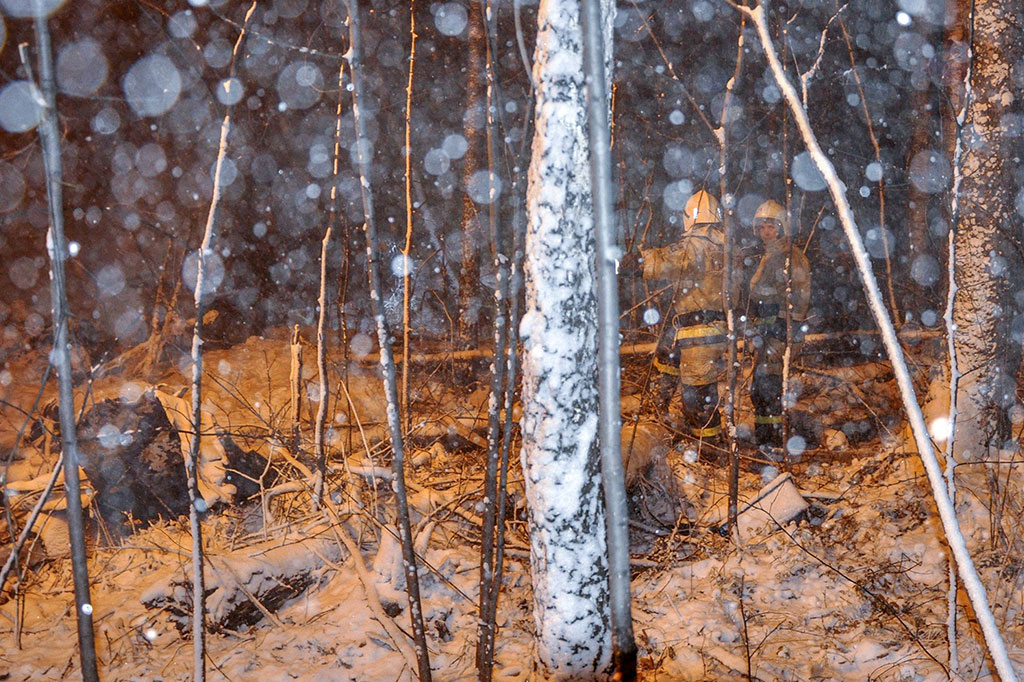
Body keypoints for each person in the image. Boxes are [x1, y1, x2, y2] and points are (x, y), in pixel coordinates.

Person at [636, 189, 734, 444]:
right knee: (669, 358)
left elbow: (667, 261)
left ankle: (707, 448)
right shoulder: (724, 247)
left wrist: (634, 262)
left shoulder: (696, 245)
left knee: (697, 395)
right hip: (707, 328)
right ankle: (662, 413)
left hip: (697, 331)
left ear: (690, 215)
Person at [747, 199, 811, 451]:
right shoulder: (770, 255)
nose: (765, 231)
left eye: (771, 227)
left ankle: (773, 443)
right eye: (762, 227)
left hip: (778, 333)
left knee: (769, 387)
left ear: (782, 227)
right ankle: (765, 440)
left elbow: (800, 296)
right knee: (759, 389)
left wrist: (787, 326)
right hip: (767, 333)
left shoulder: (790, 256)